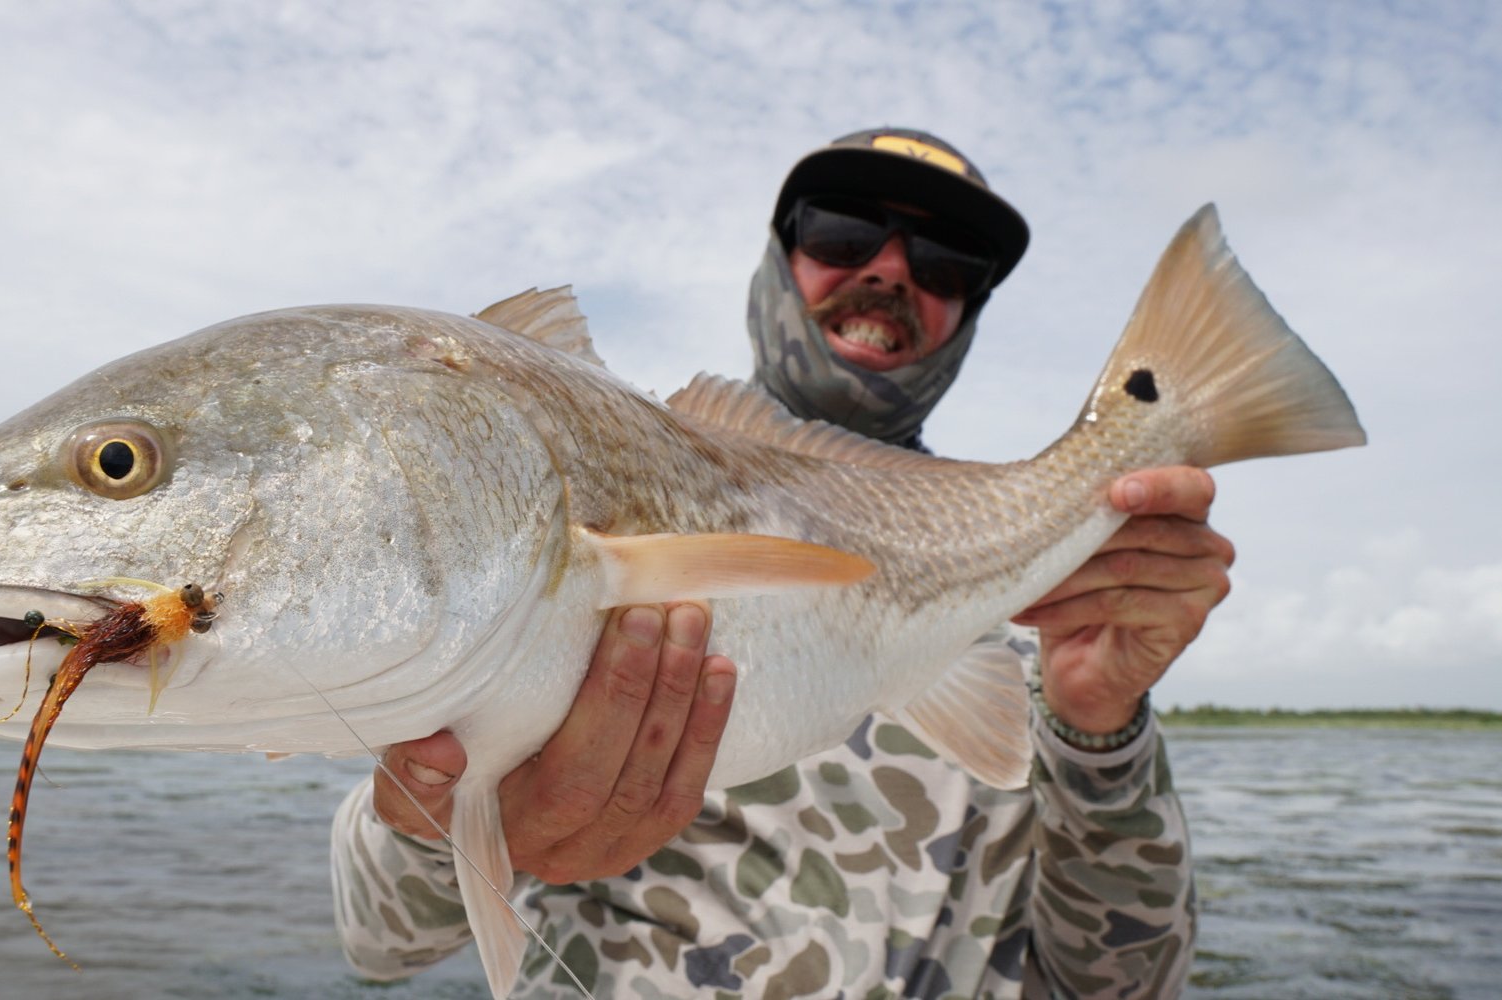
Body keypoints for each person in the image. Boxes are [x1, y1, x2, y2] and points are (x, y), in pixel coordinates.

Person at [330, 128, 1229, 998]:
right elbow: (381, 941)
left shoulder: (1043, 628)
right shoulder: (582, 507)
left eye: (946, 261)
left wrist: (1100, 733)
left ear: (970, 311)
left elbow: (1128, 988)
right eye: (842, 231)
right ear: (774, 258)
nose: (889, 271)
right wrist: (441, 810)